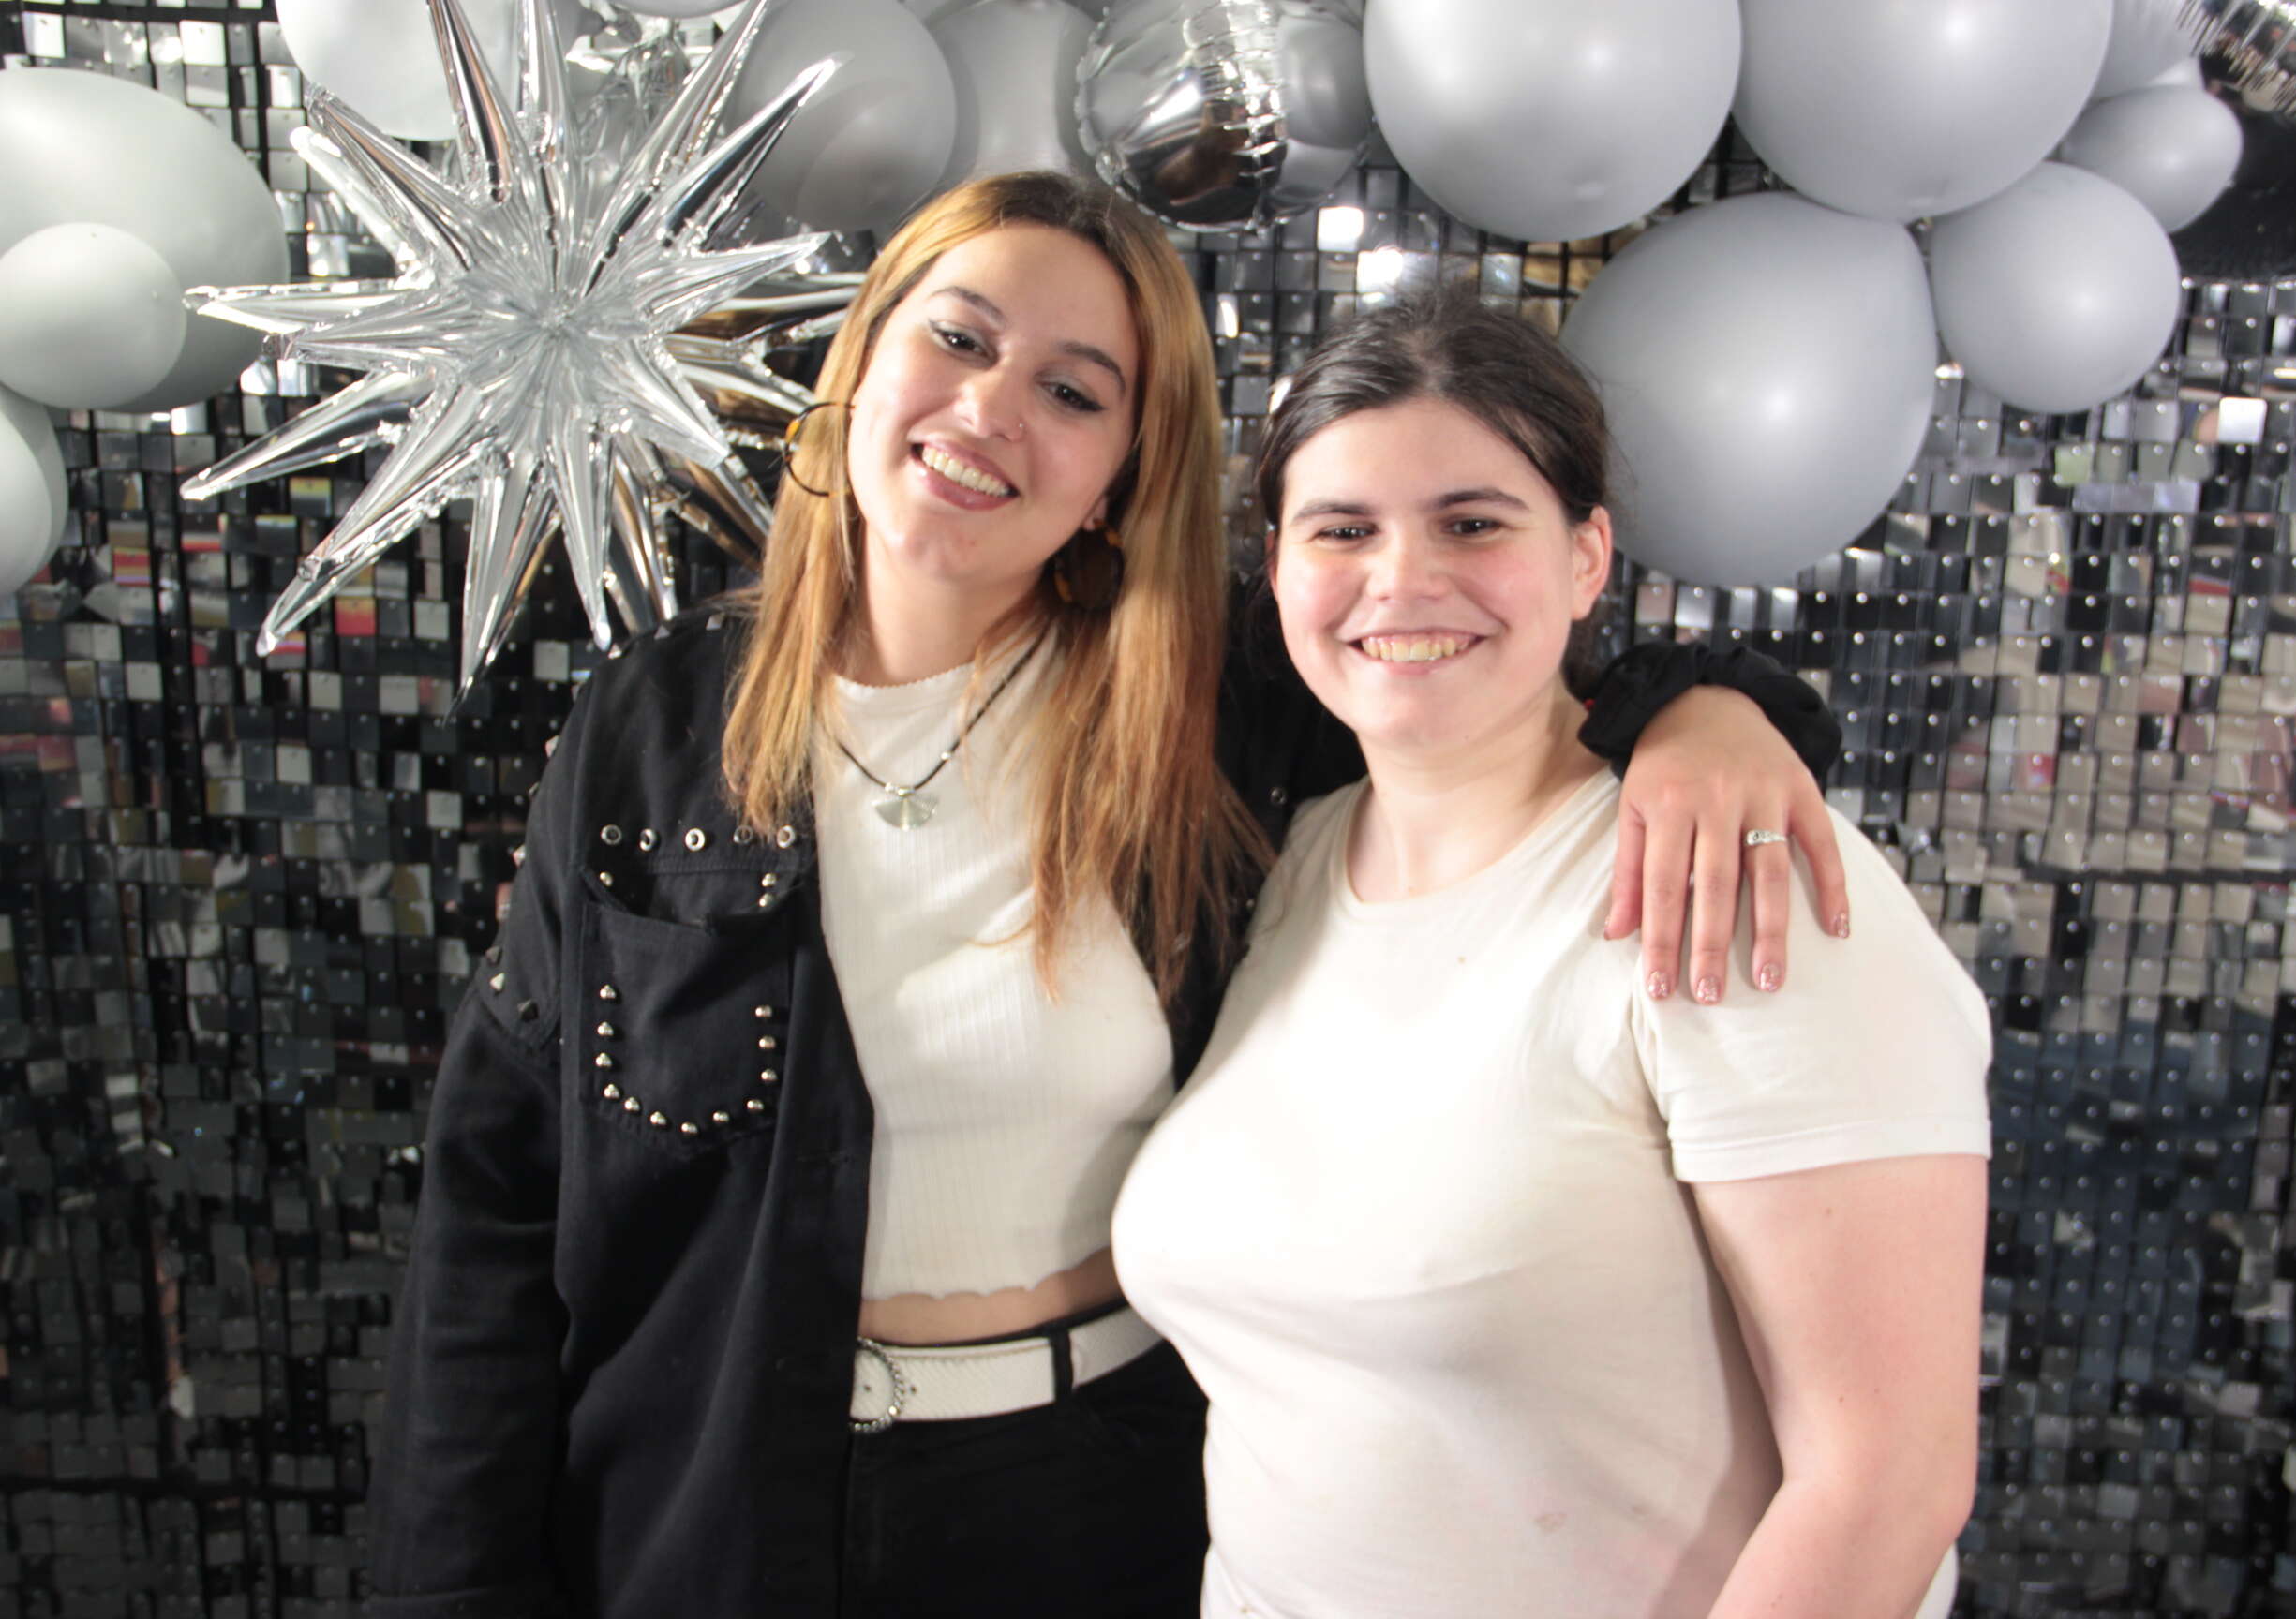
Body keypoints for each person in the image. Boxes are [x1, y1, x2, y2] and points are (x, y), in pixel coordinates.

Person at [365, 172, 1845, 1619]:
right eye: (958, 337)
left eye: (1074, 393)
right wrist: (455, 1584)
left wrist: (1711, 711)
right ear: (864, 356)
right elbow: (497, 1192)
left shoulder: (1212, 702)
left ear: (1122, 478)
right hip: (703, 1498)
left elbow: (1502, 682)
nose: (990, 409)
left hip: (1097, 1504)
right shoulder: (656, 718)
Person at [1113, 287, 1993, 1619]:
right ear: (1279, 571)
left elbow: (1888, 1486)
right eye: (1343, 529)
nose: (1403, 579)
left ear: (1587, 559)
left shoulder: (1732, 877)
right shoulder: (1294, 860)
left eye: (1473, 523)